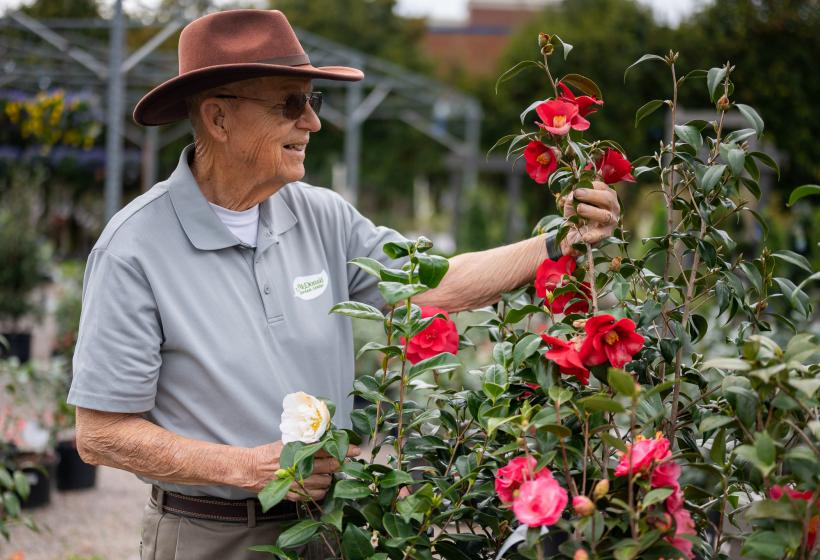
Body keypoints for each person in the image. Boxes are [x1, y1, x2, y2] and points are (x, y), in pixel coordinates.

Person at [67, 9, 621, 559]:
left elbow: (439, 282)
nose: (312, 122)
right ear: (218, 118)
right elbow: (101, 433)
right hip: (210, 536)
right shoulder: (135, 248)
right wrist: (247, 468)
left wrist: (558, 240)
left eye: (313, 102)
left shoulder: (321, 216)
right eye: (291, 103)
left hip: (325, 526)